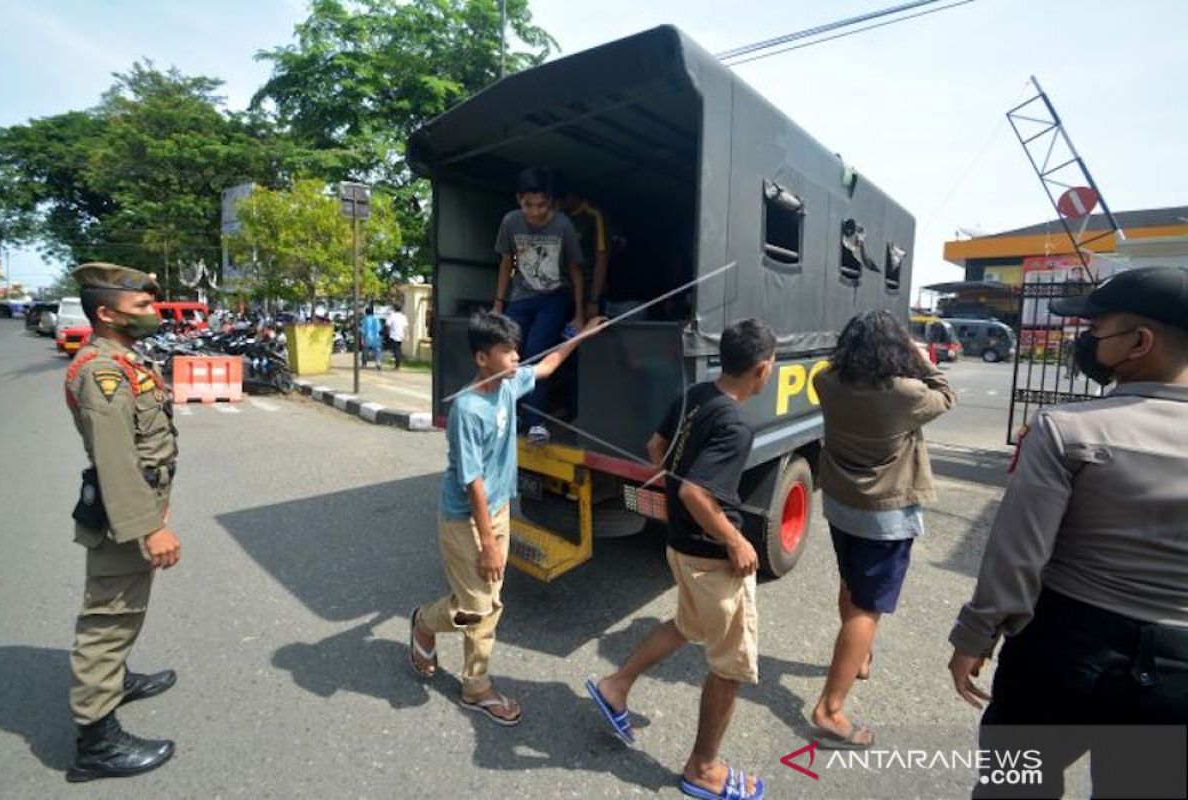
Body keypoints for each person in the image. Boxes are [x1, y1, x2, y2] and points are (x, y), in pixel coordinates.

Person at [948, 266, 1188, 798]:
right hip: (1179, 674)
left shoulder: (1068, 429)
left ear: (1139, 342)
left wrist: (975, 637)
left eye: (1096, 331)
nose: (1085, 341)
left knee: (1014, 788)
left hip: (1060, 651)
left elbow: (1018, 556)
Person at [587, 319, 777, 800]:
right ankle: (703, 769)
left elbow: (655, 450)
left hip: (678, 544)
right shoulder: (735, 424)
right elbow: (695, 491)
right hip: (711, 557)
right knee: (732, 666)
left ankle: (616, 685)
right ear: (762, 368)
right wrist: (735, 540)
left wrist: (676, 477)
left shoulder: (696, 394)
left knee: (687, 626)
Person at [408, 310, 604, 726]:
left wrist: (583, 335)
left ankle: (425, 623)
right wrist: (491, 543)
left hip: (497, 510)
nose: (516, 356)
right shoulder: (468, 408)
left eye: (516, 349)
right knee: (479, 608)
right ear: (482, 358)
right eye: (506, 350)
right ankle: (474, 686)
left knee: (487, 602)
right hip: (466, 519)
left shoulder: (509, 384)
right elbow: (472, 483)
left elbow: (548, 365)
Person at [807, 310, 956, 749]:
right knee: (866, 609)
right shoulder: (906, 393)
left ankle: (860, 658)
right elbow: (947, 392)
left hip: (840, 504)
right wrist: (916, 353)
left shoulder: (826, 383)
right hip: (884, 516)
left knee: (850, 585)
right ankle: (830, 710)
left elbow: (832, 369)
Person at [62, 263, 182, 782]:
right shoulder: (101, 371)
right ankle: (96, 742)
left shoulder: (123, 357)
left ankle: (116, 681)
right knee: (108, 617)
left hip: (138, 501)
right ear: (107, 313)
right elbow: (115, 459)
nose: (153, 312)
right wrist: (149, 526)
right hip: (122, 513)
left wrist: (158, 505)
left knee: (127, 605)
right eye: (142, 307)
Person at [492, 166, 585, 443]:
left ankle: (536, 422)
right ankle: (508, 413)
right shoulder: (510, 222)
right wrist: (499, 303)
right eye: (528, 205)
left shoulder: (563, 226)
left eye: (541, 205)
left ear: (552, 201)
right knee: (507, 350)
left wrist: (580, 314)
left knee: (535, 350)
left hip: (554, 297)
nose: (534, 212)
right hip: (520, 297)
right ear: (519, 200)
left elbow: (576, 269)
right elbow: (506, 262)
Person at [556, 184, 610, 320]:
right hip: (566, 290)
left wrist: (594, 299)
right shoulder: (560, 217)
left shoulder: (593, 216)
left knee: (590, 336)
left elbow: (601, 258)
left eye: (562, 199)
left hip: (589, 290)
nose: (558, 203)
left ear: (572, 196)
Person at [386, 304, 408, 370]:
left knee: (395, 350)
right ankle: (398, 363)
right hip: (400, 335)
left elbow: (388, 325)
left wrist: (388, 333)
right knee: (398, 349)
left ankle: (397, 364)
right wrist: (406, 335)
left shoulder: (392, 316)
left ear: (394, 309)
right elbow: (405, 327)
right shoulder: (403, 316)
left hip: (393, 335)